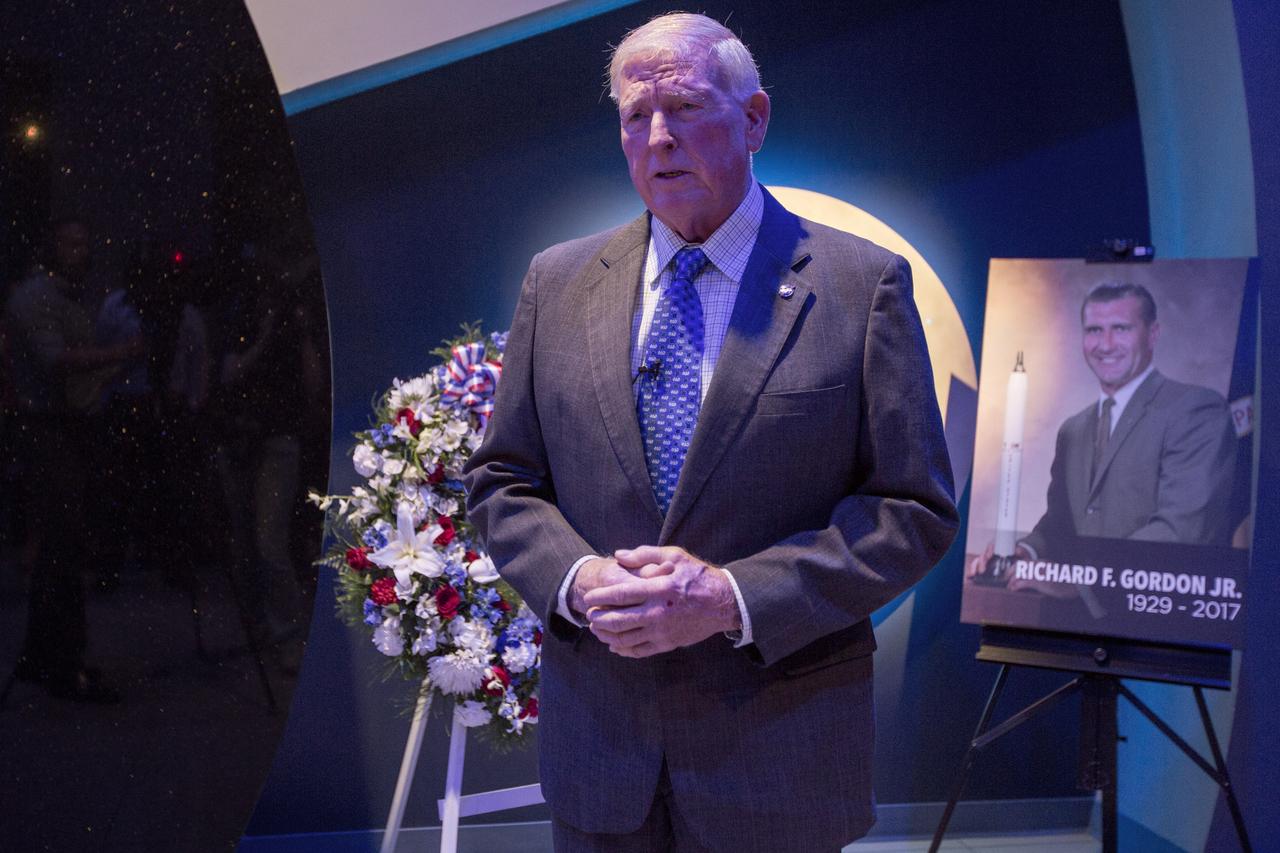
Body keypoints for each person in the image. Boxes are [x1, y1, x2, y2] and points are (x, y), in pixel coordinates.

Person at [464, 13, 956, 851]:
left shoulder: (860, 283)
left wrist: (730, 598)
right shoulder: (558, 280)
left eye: (685, 106)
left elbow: (911, 510)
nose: (658, 137)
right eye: (634, 115)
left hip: (779, 758)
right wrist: (576, 580)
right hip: (603, 757)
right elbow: (502, 481)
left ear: (754, 117)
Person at [970, 283, 1236, 591]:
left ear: (1152, 334)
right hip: (1069, 622)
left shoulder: (1196, 412)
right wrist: (1025, 551)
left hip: (1157, 619)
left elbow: (1181, 532)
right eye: (1094, 330)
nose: (1105, 345)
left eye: (1121, 329)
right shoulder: (1074, 429)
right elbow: (1061, 524)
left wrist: (1075, 579)